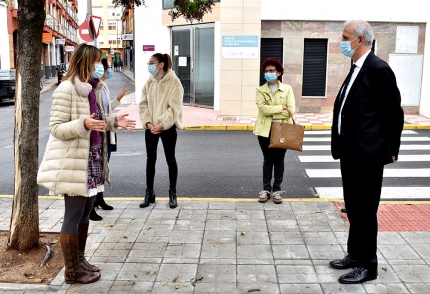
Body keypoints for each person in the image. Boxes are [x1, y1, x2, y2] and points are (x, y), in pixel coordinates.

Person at [37, 44, 136, 284]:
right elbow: (56, 128)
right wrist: (83, 123)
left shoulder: (93, 88)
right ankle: (71, 272)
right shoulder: (66, 89)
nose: (99, 67)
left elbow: (96, 121)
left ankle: (80, 260)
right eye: (96, 62)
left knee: (85, 213)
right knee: (72, 214)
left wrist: (113, 121)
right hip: (73, 162)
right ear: (85, 62)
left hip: (92, 158)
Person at [330, 20, 404, 284]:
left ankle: (367, 266)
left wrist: (391, 149)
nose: (341, 41)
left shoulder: (378, 69)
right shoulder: (356, 68)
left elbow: (394, 113)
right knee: (353, 207)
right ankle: (354, 255)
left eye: (345, 36)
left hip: (368, 155)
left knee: (364, 210)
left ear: (359, 40)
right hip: (350, 152)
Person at [139, 53, 183, 209]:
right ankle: (149, 192)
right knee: (150, 160)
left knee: (170, 159)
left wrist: (162, 124)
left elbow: (174, 107)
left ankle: (172, 192)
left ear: (161, 64)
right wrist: (149, 123)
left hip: (167, 127)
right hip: (151, 128)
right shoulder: (149, 82)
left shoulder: (174, 82)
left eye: (152, 62)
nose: (149, 65)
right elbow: (143, 104)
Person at [89, 58, 128, 221]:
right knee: (95, 169)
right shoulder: (92, 88)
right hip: (98, 133)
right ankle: (92, 205)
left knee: (102, 168)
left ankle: (100, 199)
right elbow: (99, 114)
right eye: (107, 67)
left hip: (107, 130)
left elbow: (107, 110)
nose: (109, 70)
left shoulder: (102, 86)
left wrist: (118, 99)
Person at [253, 58, 295, 204]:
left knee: (279, 160)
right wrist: (281, 108)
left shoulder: (287, 89)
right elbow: (263, 110)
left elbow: (291, 111)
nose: (268, 73)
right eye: (266, 71)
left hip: (282, 129)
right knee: (267, 160)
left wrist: (273, 109)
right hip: (264, 130)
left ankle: (277, 190)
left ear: (278, 72)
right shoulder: (260, 90)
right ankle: (266, 190)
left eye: (271, 71)